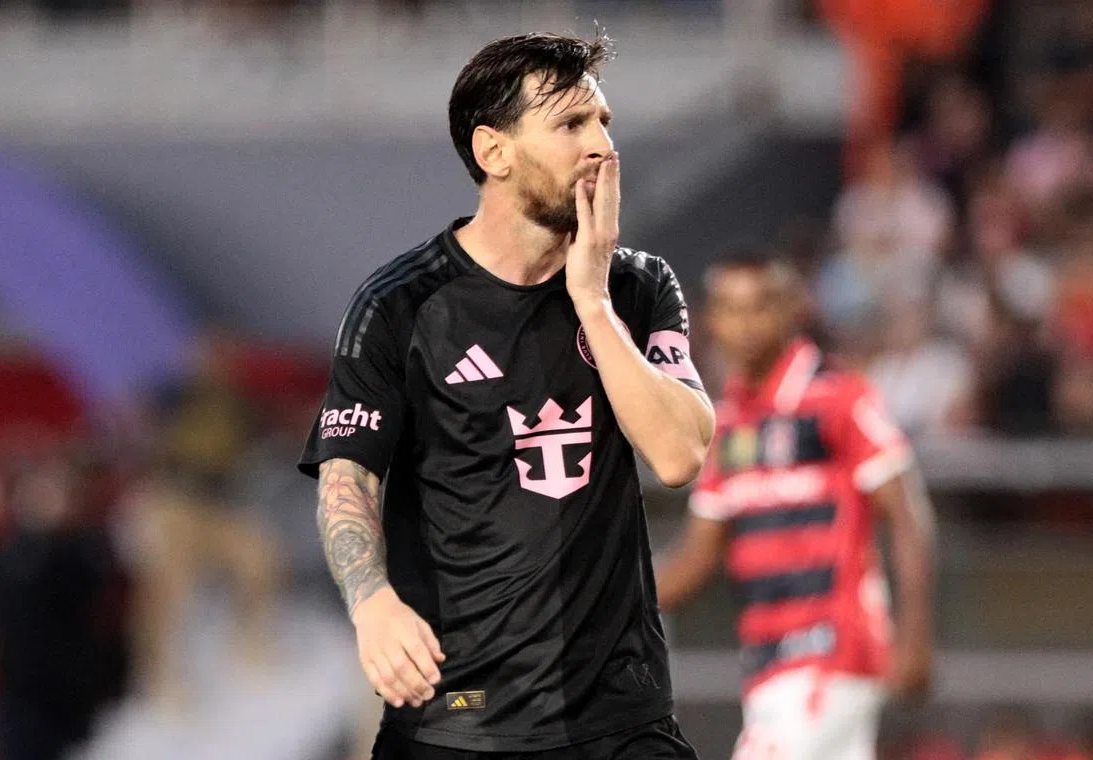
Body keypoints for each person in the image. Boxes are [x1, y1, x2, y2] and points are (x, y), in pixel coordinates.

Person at [298, 33, 714, 760]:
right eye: (571, 125)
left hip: (620, 720)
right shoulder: (401, 304)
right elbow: (348, 476)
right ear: (494, 152)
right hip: (460, 717)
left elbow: (679, 455)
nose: (602, 147)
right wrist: (372, 603)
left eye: (604, 123)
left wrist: (592, 301)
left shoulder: (638, 287)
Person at [655, 253, 936, 760]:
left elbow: (905, 512)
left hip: (832, 653)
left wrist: (913, 631)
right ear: (710, 320)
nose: (744, 325)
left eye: (759, 306)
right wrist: (601, 600)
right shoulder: (728, 423)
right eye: (729, 309)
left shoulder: (838, 396)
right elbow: (694, 559)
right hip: (766, 666)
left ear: (791, 309)